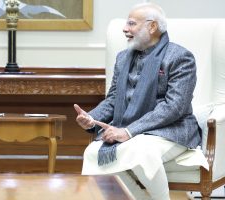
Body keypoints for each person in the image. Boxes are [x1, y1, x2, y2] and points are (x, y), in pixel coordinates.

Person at [74, 3, 207, 200]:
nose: (125, 29)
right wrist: (91, 118)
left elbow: (174, 107)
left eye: (131, 24)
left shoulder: (180, 57)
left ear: (152, 27)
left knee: (140, 149)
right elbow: (112, 100)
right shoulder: (122, 58)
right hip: (129, 129)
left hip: (172, 129)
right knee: (94, 152)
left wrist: (128, 131)